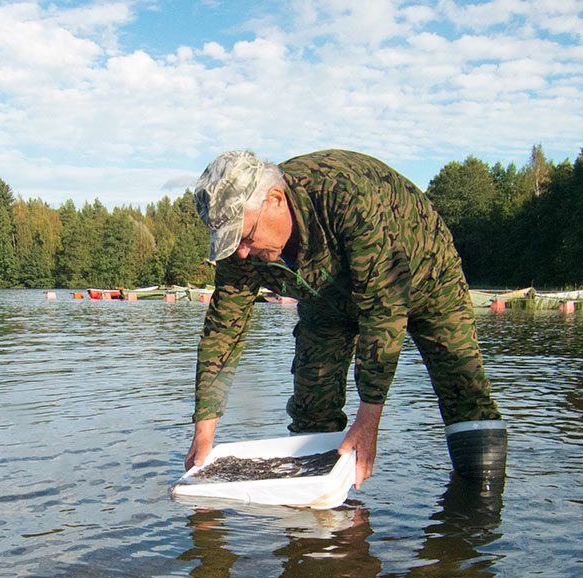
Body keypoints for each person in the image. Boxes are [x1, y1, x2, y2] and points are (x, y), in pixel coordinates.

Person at [185, 149, 506, 488]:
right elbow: (223, 329)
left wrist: (368, 419)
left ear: (275, 199)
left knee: (462, 385)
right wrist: (204, 432)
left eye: (247, 237)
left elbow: (383, 307)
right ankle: (319, 521)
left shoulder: (346, 195)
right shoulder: (240, 249)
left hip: (423, 276)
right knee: (312, 404)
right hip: (327, 302)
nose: (242, 253)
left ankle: (477, 517)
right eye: (233, 242)